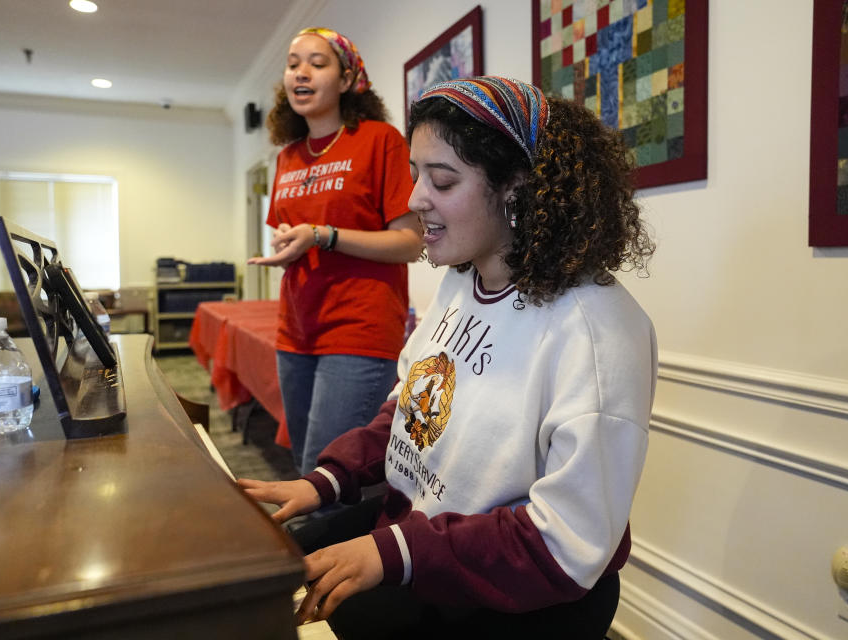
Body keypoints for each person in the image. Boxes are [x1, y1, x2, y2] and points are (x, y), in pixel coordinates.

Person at [239, 76, 657, 638]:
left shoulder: (596, 330)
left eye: (442, 180)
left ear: (515, 188)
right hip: (423, 537)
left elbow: (564, 543)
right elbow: (411, 406)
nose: (414, 201)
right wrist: (327, 479)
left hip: (507, 594)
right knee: (259, 575)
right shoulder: (465, 278)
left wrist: (391, 553)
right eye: (416, 175)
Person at [248, 27, 423, 475]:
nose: (300, 74)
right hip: (297, 328)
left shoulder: (380, 140)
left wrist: (324, 234)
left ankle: (330, 549)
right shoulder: (287, 157)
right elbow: (295, 236)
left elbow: (410, 241)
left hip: (359, 330)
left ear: (347, 80)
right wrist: (289, 246)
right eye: (292, 64)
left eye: (317, 63)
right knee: (305, 464)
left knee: (326, 475)